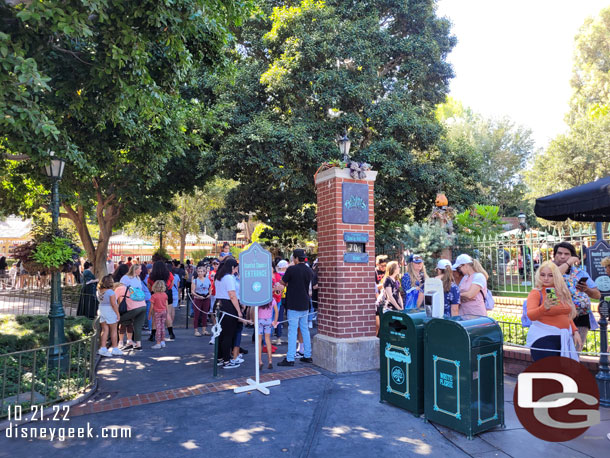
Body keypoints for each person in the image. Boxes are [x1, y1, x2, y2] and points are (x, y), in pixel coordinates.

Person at [525, 261, 581, 361]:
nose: (546, 278)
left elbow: (566, 315)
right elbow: (531, 316)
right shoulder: (536, 292)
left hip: (563, 338)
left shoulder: (562, 291)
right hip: (543, 338)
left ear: (556, 276)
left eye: (550, 275)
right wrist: (544, 307)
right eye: (543, 275)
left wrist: (575, 331)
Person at [553, 242, 601, 344]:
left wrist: (587, 289)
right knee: (559, 351)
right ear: (554, 255)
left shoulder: (580, 273)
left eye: (567, 254)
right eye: (559, 253)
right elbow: (554, 277)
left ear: (573, 257)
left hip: (581, 317)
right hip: (558, 317)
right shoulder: (548, 271)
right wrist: (568, 263)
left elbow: (597, 295)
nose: (562, 256)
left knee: (575, 351)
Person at [278, 249, 314, 367]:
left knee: (292, 331)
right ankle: (307, 355)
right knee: (305, 330)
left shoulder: (291, 269)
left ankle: (290, 358)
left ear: (296, 258)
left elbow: (282, 282)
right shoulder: (309, 270)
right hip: (305, 303)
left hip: (293, 304)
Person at [215, 257, 246, 369]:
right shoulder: (228, 277)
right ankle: (227, 361)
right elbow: (232, 295)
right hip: (228, 306)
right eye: (235, 268)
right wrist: (239, 311)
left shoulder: (219, 276)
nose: (236, 270)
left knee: (221, 334)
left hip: (219, 305)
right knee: (228, 334)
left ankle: (220, 358)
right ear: (232, 267)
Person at [115, 264, 147, 351]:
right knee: (137, 325)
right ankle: (137, 344)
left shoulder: (137, 278)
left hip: (132, 305)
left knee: (121, 320)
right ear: (135, 269)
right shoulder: (126, 278)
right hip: (141, 304)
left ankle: (122, 341)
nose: (141, 271)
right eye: (140, 269)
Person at [147, 261, 175, 342]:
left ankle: (153, 334)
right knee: (167, 314)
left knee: (154, 316)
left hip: (155, 294)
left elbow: (149, 285)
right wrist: (167, 289)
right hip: (167, 294)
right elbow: (172, 283)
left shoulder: (152, 275)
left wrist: (153, 292)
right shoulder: (168, 274)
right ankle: (171, 333)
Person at [97, 274, 123, 356]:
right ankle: (115, 348)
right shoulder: (111, 292)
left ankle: (103, 348)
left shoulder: (98, 291)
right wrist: (118, 314)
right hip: (110, 311)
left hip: (101, 309)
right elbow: (113, 304)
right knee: (114, 330)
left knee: (104, 330)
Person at [258, 299, 279, 370]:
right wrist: (275, 321)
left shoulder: (259, 299)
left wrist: (254, 321)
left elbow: (253, 310)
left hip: (259, 320)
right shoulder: (272, 299)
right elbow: (276, 311)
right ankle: (270, 360)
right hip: (268, 321)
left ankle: (260, 361)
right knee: (267, 340)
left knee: (259, 341)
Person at [191, 265, 211, 336]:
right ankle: (196, 330)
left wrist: (209, 295)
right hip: (198, 298)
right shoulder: (195, 281)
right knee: (197, 314)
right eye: (199, 271)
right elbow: (192, 291)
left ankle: (204, 330)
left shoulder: (207, 279)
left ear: (204, 272)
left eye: (201, 271)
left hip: (206, 298)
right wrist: (198, 296)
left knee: (205, 314)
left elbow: (210, 288)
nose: (200, 273)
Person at [149, 280, 169, 349]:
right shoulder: (165, 295)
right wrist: (167, 312)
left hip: (157, 312)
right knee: (162, 326)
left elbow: (151, 306)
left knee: (158, 327)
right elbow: (166, 304)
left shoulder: (154, 296)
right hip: (164, 311)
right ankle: (163, 341)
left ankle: (158, 343)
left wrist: (149, 314)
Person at [273, 259, 289, 344]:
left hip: (279, 297)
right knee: (279, 317)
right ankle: (278, 336)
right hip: (283, 297)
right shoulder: (285, 275)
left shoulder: (276, 275)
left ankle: (278, 336)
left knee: (278, 317)